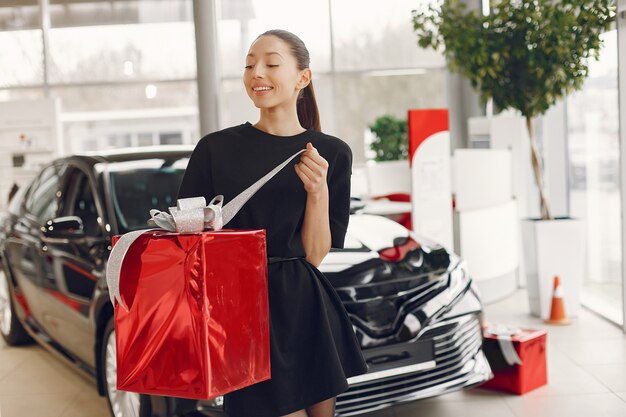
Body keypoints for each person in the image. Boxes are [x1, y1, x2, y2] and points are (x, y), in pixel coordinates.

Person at [177, 29, 368, 417]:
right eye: (249, 64)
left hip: (305, 306)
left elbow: (314, 255)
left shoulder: (331, 153)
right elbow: (186, 240)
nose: (256, 73)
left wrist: (318, 192)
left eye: (271, 63)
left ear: (303, 78)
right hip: (242, 310)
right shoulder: (215, 149)